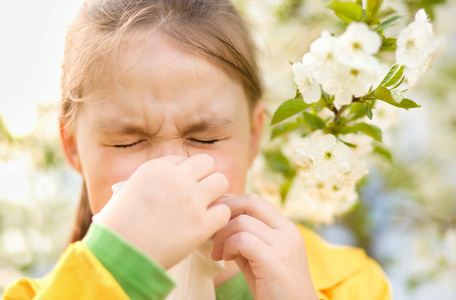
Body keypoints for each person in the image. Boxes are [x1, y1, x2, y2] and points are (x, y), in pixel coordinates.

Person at [3, 0, 391, 299]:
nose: (170, 171)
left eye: (204, 138)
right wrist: (112, 269)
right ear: (72, 147)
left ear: (253, 137)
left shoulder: (349, 284)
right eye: (129, 141)